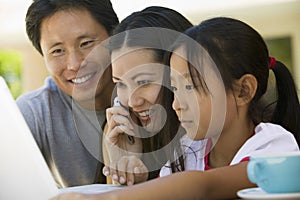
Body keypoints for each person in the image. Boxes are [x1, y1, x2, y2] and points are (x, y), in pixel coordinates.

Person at [51, 17, 299, 199]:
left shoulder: (274, 148)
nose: (177, 103)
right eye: (175, 88)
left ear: (243, 90)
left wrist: (109, 198)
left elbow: (205, 187)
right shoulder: (185, 151)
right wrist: (126, 179)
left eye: (190, 87)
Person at [16, 0, 119, 188]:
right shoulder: (35, 113)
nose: (75, 64)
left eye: (86, 43)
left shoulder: (152, 92)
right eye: (57, 51)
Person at [101, 6, 193, 185]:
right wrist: (124, 167)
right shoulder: (118, 133)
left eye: (143, 82)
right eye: (120, 83)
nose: (132, 101)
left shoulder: (207, 135)